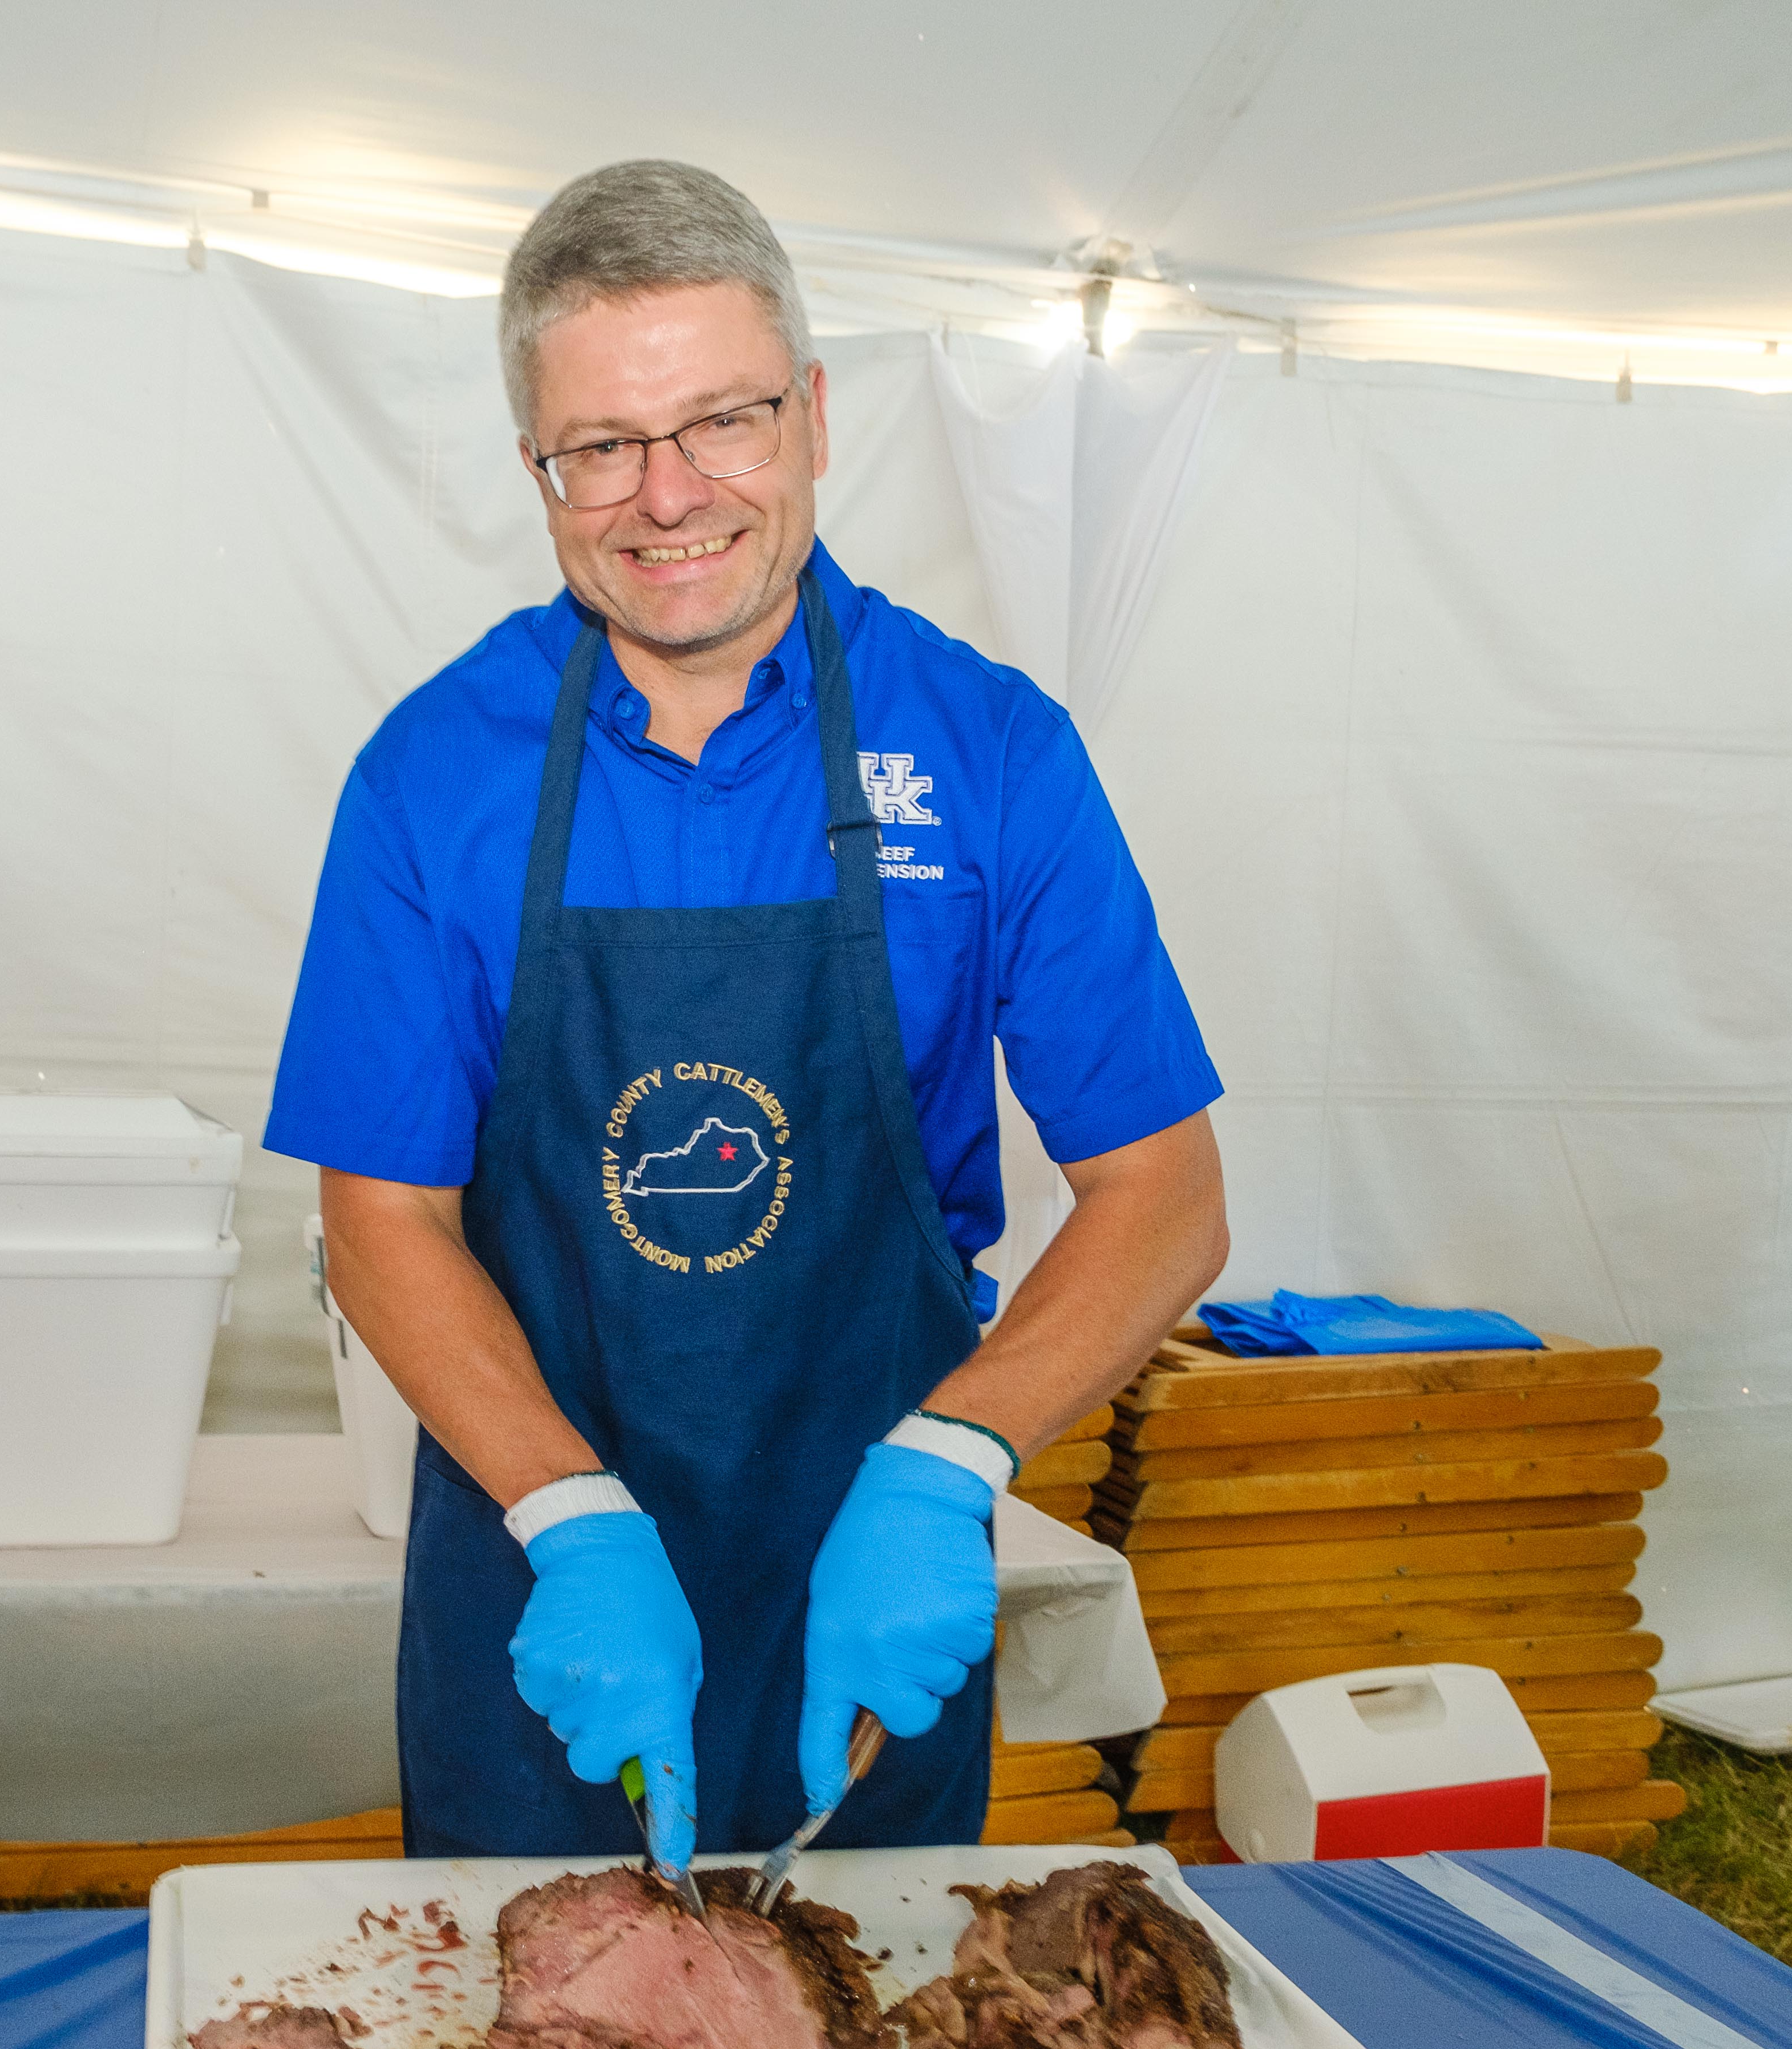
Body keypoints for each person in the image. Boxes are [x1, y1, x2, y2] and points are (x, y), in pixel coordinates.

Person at [268, 161, 1231, 1872]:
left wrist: (951, 1470)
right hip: (546, 1577)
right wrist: (571, 1523)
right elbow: (380, 1221)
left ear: (814, 414)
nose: (669, 495)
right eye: (603, 446)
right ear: (536, 469)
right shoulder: (432, 774)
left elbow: (1166, 1195)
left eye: (723, 420)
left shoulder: (996, 751)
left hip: (871, 1562)